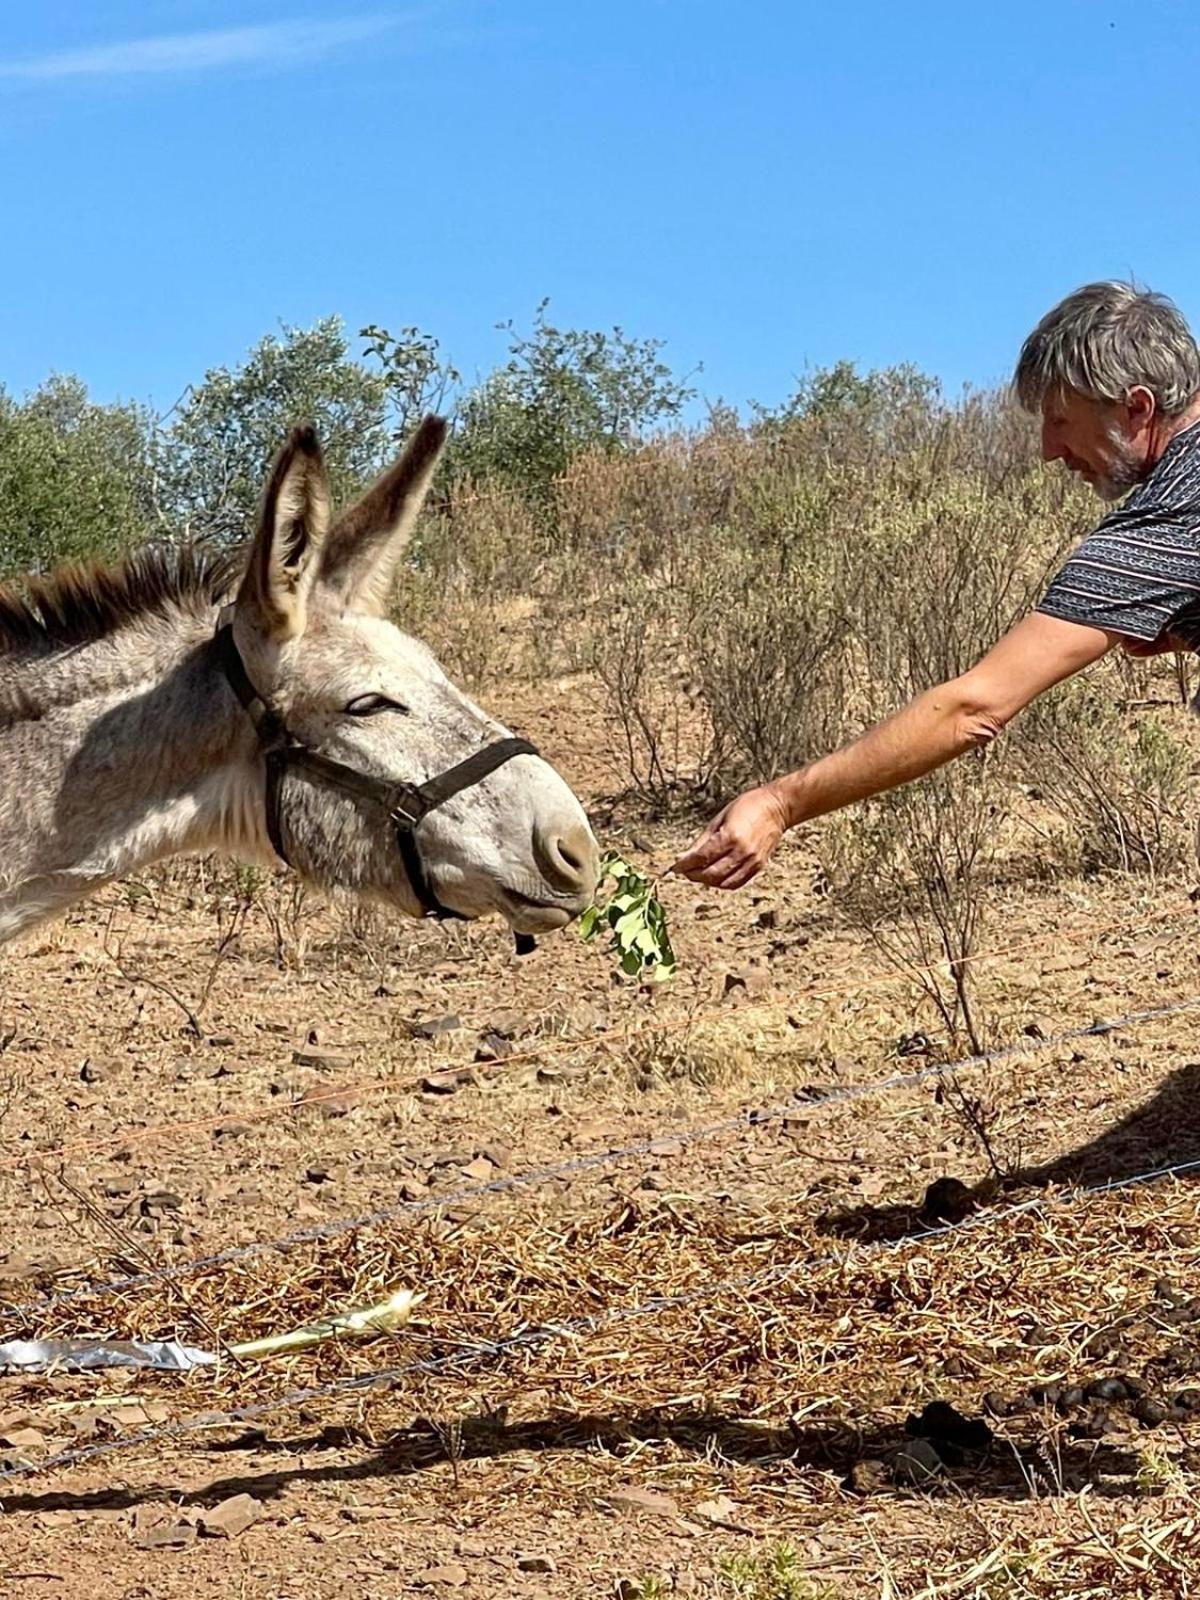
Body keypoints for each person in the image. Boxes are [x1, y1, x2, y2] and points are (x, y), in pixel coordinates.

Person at [673, 281, 1200, 891]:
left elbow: (973, 709)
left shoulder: (1165, 521)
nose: (1048, 451)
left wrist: (780, 802)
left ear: (1137, 409)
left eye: (1061, 421)